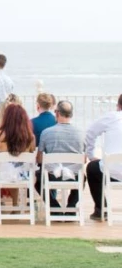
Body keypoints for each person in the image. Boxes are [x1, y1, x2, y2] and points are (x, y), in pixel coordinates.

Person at [35, 100, 84, 213]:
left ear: (56, 113)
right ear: (71, 114)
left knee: (37, 178)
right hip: (74, 176)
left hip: (52, 175)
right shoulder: (80, 133)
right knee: (83, 178)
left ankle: (54, 207)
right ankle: (71, 207)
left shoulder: (46, 133)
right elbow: (83, 159)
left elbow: (40, 159)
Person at [85, 93, 122, 221]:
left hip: (111, 171)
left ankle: (101, 209)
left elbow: (90, 132)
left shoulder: (112, 117)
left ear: (118, 106)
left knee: (92, 168)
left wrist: (91, 155)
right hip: (112, 170)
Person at [0, 103, 36, 206]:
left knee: (6, 167)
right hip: (24, 176)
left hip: (3, 175)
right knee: (17, 167)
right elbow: (32, 155)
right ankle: (15, 204)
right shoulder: (30, 137)